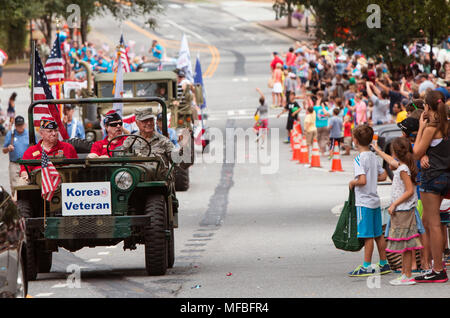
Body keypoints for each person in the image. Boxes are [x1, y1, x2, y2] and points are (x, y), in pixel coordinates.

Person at [372, 137, 422, 285]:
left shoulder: (403, 170)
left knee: (405, 244)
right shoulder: (403, 166)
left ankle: (407, 275)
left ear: (396, 152)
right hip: (403, 210)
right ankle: (405, 273)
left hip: (403, 211)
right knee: (404, 245)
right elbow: (391, 161)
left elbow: (409, 191)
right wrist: (378, 151)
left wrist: (394, 204)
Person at [412, 90, 449, 283]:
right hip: (445, 176)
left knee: (433, 224)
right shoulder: (446, 124)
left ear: (427, 106)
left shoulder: (430, 127)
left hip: (431, 177)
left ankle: (437, 269)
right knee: (433, 222)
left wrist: (420, 128)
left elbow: (417, 152)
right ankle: (436, 266)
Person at [348, 125, 390, 277]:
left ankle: (367, 265)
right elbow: (383, 175)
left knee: (368, 236)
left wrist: (353, 183)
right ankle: (384, 263)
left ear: (355, 140)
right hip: (375, 200)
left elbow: (362, 180)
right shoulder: (373, 157)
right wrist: (372, 177)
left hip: (364, 202)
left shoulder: (359, 159)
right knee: (378, 234)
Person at [19, 117, 78, 181]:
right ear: (41, 134)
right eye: (50, 131)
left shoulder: (68, 148)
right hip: (38, 187)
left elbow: (77, 169)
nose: (54, 133)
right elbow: (24, 171)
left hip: (66, 185)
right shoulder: (31, 151)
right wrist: (25, 175)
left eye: (55, 130)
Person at [2, 116, 30, 199]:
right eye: (18, 125)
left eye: (21, 125)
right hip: (14, 163)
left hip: (26, 164)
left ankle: (25, 201)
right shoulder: (11, 134)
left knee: (27, 184)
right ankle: (16, 202)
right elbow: (4, 150)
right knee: (14, 185)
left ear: (24, 125)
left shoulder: (29, 134)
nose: (20, 127)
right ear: (15, 125)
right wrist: (8, 148)